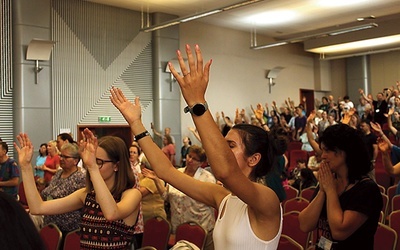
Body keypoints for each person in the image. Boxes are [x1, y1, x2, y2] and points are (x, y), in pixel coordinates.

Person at [110, 44, 282, 250]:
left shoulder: (267, 199)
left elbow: (226, 171)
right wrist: (136, 124)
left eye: (231, 146)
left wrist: (197, 102)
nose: (223, 150)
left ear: (253, 159)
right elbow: (165, 171)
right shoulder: (224, 199)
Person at [15, 129, 142, 249]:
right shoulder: (86, 195)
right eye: (92, 162)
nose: (94, 166)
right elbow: (37, 207)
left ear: (116, 166)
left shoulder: (132, 195)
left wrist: (92, 167)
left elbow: (111, 213)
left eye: (99, 162)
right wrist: (26, 167)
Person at [299, 124, 382, 249]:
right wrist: (322, 191)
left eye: (327, 150)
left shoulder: (366, 189)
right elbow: (305, 225)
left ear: (344, 152)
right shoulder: (329, 181)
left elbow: (339, 231)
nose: (323, 156)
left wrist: (330, 190)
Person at [143, 145, 216, 250]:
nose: (190, 160)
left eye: (194, 159)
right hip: (179, 227)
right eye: (189, 156)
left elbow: (211, 201)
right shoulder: (177, 173)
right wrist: (156, 179)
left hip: (201, 227)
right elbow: (165, 196)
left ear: (201, 163)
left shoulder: (207, 178)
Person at [41, 143, 86, 235]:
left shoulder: (81, 178)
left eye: (65, 157)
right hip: (50, 225)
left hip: (69, 230)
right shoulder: (59, 173)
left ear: (75, 161)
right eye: (61, 155)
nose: (61, 159)